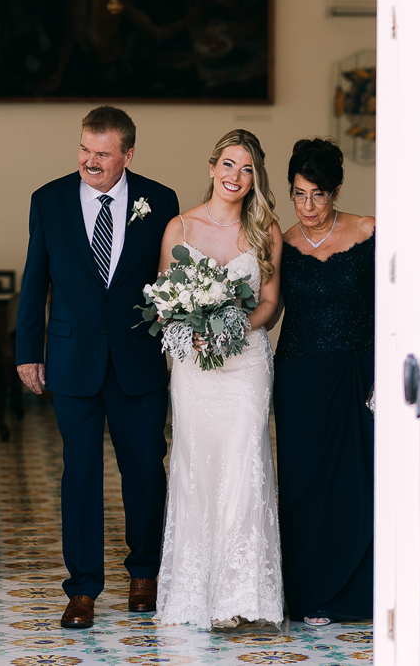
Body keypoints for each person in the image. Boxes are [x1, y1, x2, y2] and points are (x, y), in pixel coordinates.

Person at [15, 106, 180, 629]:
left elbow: (172, 280)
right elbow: (34, 280)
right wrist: (27, 350)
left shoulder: (162, 201)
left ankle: (145, 574)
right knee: (79, 476)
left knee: (145, 473)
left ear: (127, 155)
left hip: (138, 360)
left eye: (103, 154)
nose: (90, 161)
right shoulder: (49, 199)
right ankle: (82, 589)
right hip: (72, 360)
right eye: (84, 150)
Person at [153, 129, 284, 628]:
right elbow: (164, 304)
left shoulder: (264, 230)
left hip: (246, 363)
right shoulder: (179, 228)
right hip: (195, 370)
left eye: (247, 169)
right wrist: (193, 332)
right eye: (229, 164)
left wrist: (233, 326)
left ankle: (243, 597)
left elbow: (270, 303)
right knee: (196, 466)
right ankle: (197, 594)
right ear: (211, 167)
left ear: (255, 178)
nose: (236, 176)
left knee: (245, 464)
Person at [272, 137, 375, 626]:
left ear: (335, 192)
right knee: (301, 488)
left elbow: (386, 309)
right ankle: (309, 593)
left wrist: (379, 374)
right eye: (298, 194)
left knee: (355, 484)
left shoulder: (370, 232)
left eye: (317, 194)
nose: (307, 206)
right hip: (297, 378)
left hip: (354, 375)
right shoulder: (282, 242)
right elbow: (269, 309)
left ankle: (355, 593)